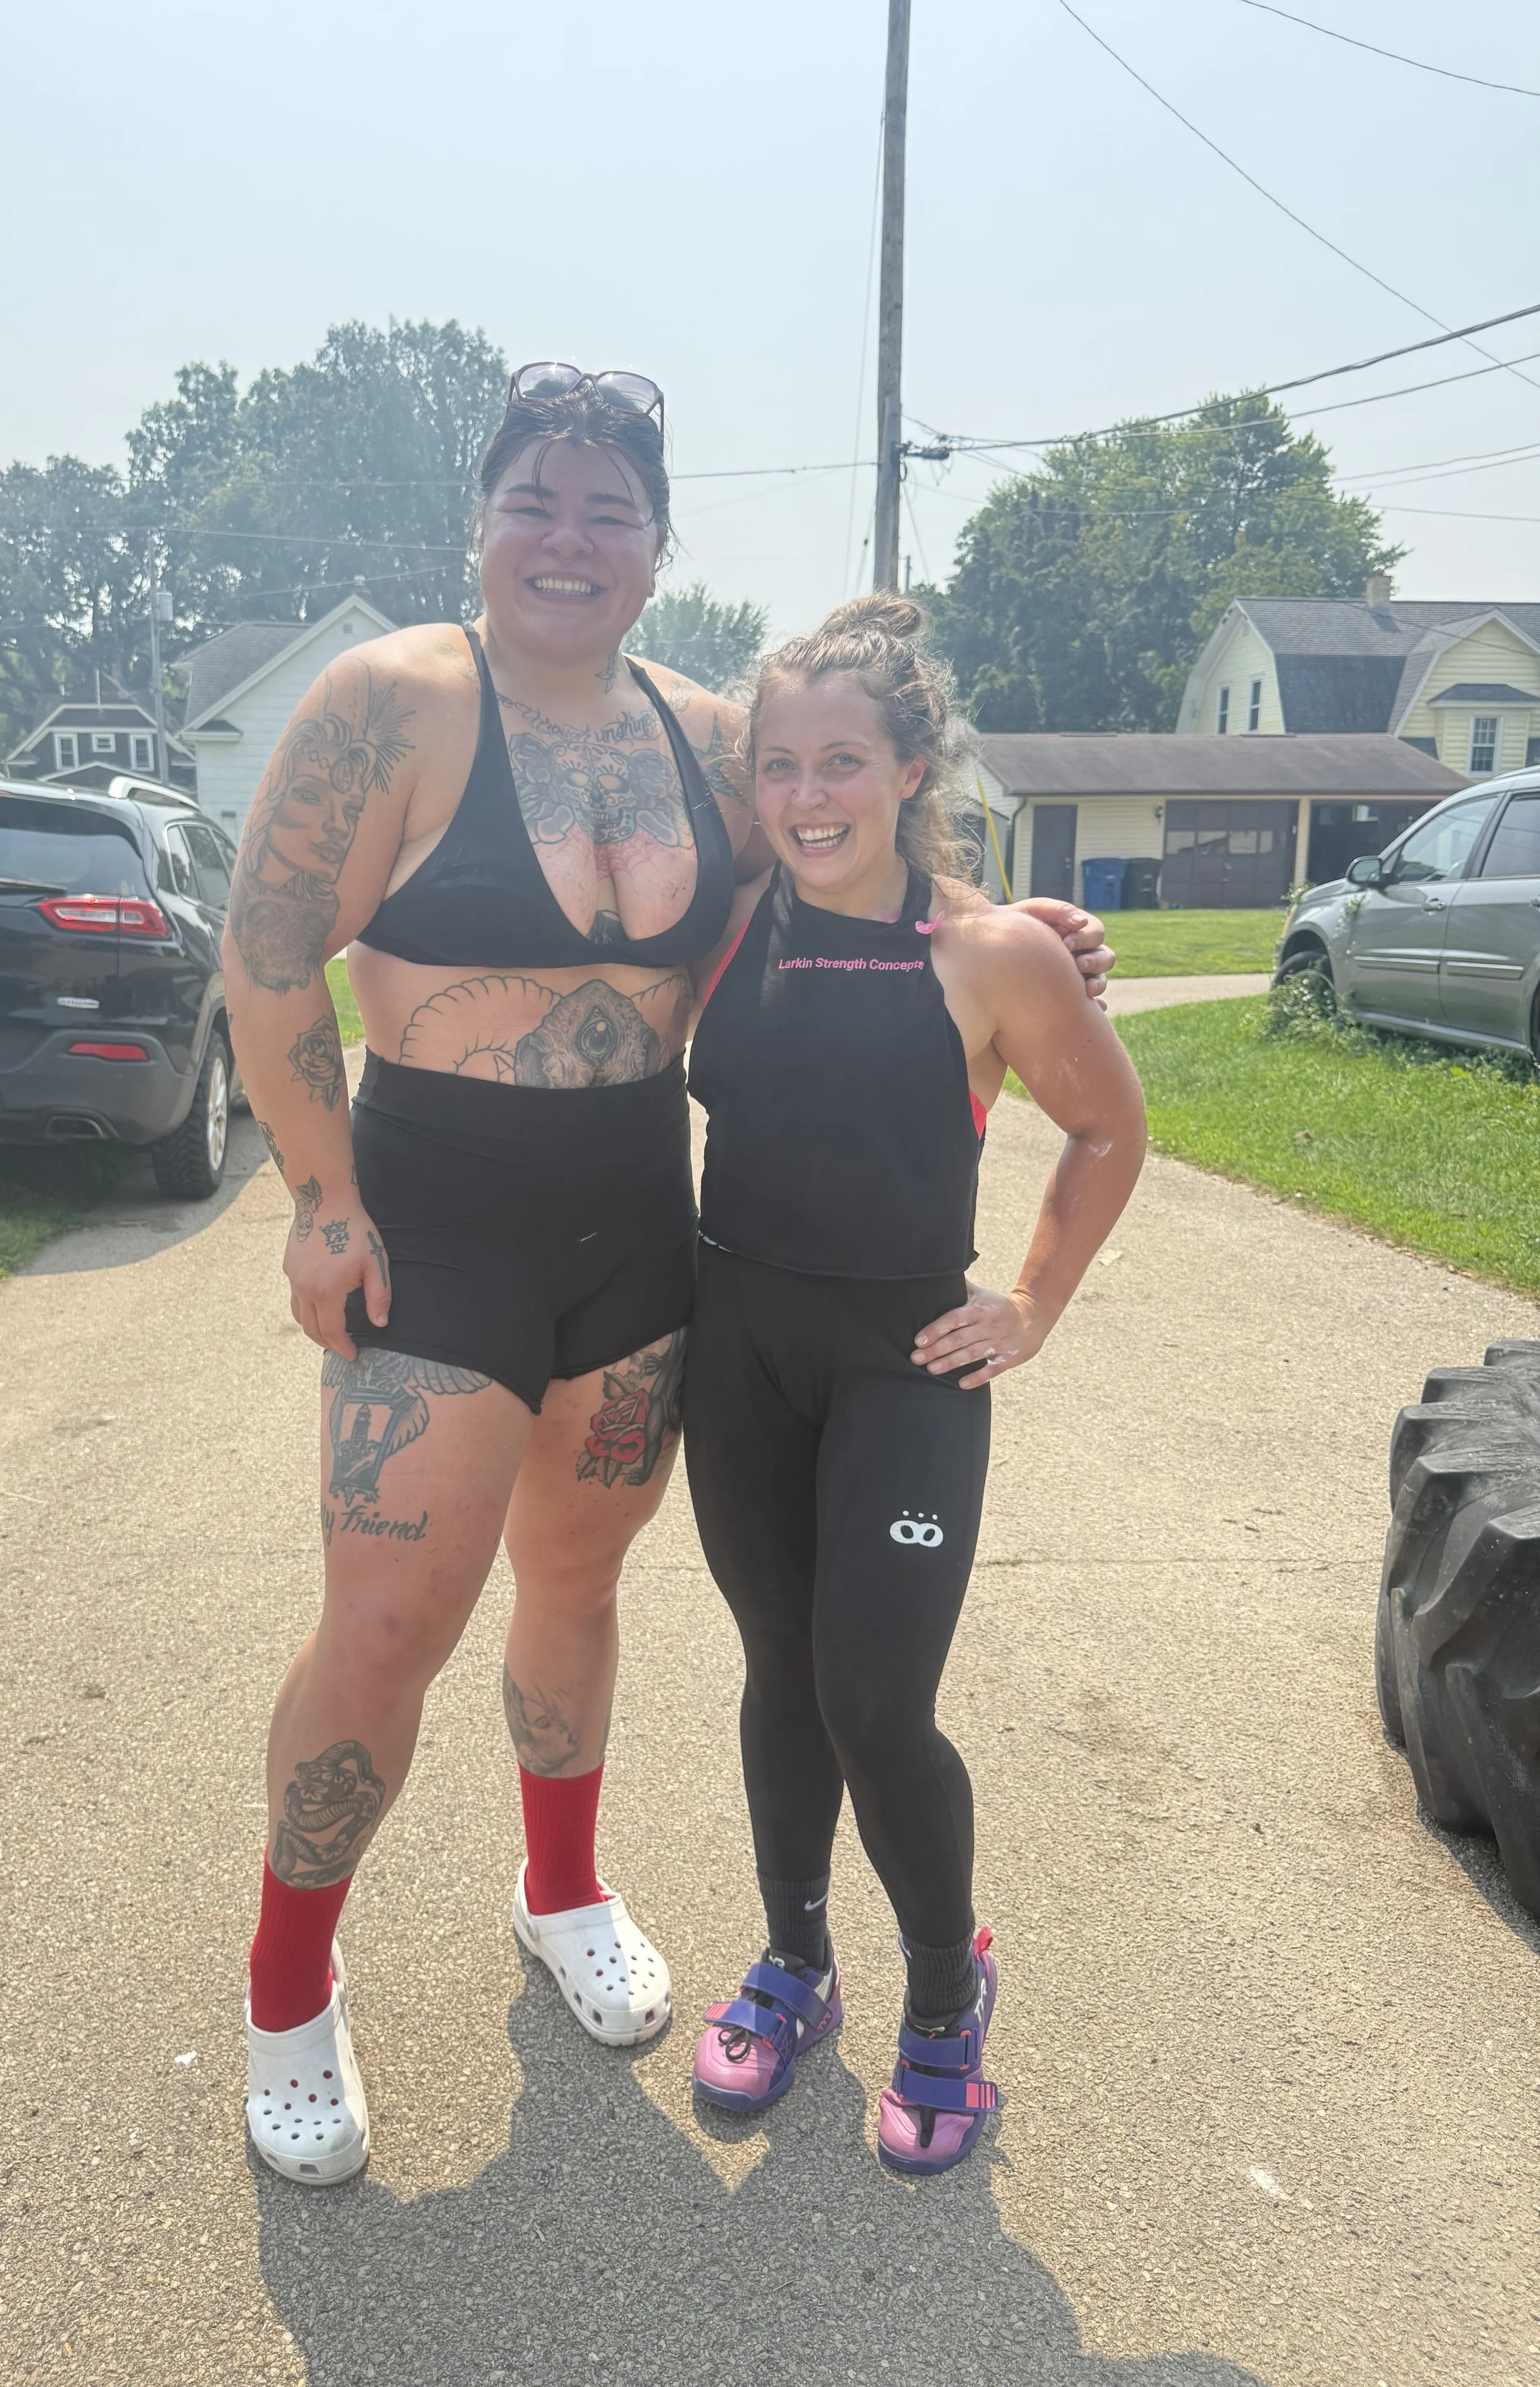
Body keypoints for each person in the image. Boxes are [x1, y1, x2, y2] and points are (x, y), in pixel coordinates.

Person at [220, 367, 1113, 2185]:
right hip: (439, 1219)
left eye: (608, 508)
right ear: (480, 519)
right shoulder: (387, 703)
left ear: (652, 545)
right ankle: (288, 1993)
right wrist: (322, 1199)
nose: (568, 537)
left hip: (638, 1225)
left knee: (575, 1586)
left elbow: (842, 840)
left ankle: (562, 1893)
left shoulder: (707, 734)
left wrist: (1025, 939)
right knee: (390, 1622)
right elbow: (260, 962)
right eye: (534, 500)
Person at [682, 597, 1146, 2174]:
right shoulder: (730, 908)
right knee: (774, 1666)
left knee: (873, 1696)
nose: (806, 795)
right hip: (733, 1345)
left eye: (840, 762)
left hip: (903, 1364)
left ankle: (945, 1991)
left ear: (907, 766)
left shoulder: (989, 952)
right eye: (777, 766)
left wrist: (1027, 1300)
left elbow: (1106, 1128)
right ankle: (795, 1965)